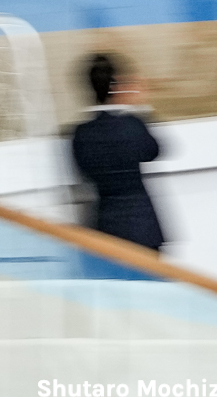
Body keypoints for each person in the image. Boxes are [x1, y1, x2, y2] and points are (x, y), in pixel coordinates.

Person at [69, 54, 166, 255]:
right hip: (143, 226)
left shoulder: (81, 133)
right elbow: (153, 151)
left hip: (105, 228)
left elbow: (83, 171)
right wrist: (138, 108)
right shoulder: (132, 124)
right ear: (117, 85)